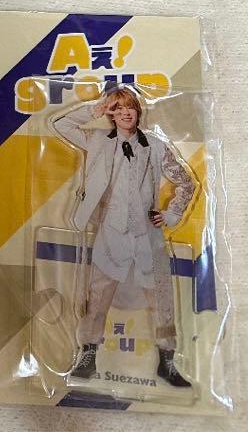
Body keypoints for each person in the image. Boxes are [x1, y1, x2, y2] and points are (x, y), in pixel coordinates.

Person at [52, 86, 195, 387]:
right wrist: (95, 109)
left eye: (129, 106)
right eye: (117, 108)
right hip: (110, 232)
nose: (125, 113)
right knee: (97, 297)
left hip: (148, 235)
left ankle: (167, 360)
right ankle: (88, 354)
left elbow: (186, 182)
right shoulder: (97, 141)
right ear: (111, 114)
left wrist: (171, 214)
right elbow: (61, 125)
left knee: (162, 299)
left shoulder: (156, 145)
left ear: (138, 110)